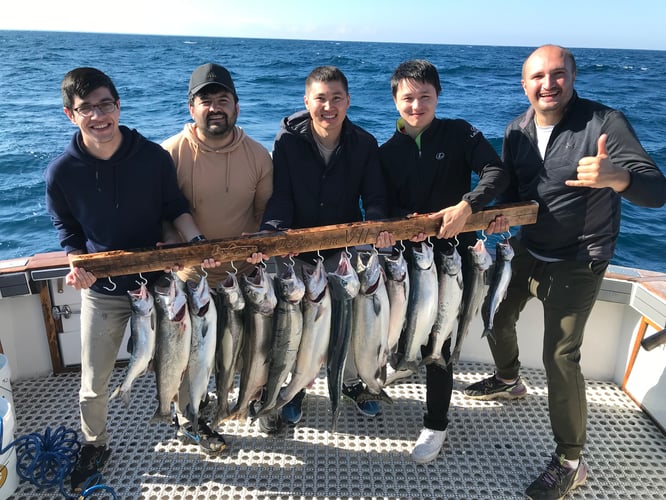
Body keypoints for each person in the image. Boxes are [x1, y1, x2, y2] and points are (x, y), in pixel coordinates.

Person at [463, 44, 666, 500]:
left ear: (572, 77)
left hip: (579, 257)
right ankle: (510, 379)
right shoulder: (516, 129)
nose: (548, 84)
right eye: (537, 76)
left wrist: (620, 177)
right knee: (494, 317)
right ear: (524, 84)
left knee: (560, 357)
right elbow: (514, 190)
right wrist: (497, 213)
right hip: (526, 249)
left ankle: (571, 462)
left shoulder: (605, 123)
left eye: (558, 74)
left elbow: (657, 192)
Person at [45, 67, 208, 492]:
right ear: (70, 115)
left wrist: (198, 244)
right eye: (86, 109)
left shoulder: (152, 157)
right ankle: (94, 443)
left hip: (159, 289)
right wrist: (76, 262)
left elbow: (175, 207)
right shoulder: (61, 173)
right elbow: (69, 234)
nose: (98, 116)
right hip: (103, 293)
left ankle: (188, 420)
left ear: (119, 106)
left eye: (105, 105)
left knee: (180, 362)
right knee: (94, 380)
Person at [379, 59, 509, 465]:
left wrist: (470, 205)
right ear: (395, 100)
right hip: (408, 259)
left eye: (425, 97)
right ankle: (399, 364)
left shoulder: (459, 132)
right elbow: (381, 203)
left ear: (438, 96)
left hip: (456, 259)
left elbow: (495, 171)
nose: (416, 105)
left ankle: (436, 423)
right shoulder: (387, 151)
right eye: (408, 98)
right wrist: (398, 225)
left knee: (443, 340)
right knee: (401, 328)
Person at [258, 65, 393, 430]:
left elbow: (375, 197)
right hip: (298, 253)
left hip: (342, 254)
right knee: (301, 328)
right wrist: (273, 232)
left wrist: (378, 225)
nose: (328, 107)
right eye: (321, 98)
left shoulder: (364, 143)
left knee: (345, 325)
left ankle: (350, 382)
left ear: (348, 101)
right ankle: (297, 388)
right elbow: (281, 195)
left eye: (337, 98)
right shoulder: (286, 141)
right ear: (307, 101)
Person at [161, 62, 273, 449]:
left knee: (246, 351)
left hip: (243, 278)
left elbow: (264, 214)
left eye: (222, 99)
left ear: (237, 106)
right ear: (191, 108)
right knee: (191, 359)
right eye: (204, 100)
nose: (214, 107)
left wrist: (260, 246)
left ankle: (252, 400)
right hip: (190, 281)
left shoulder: (259, 156)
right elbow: (161, 215)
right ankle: (186, 417)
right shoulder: (169, 154)